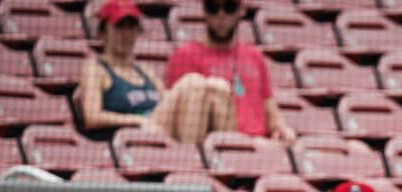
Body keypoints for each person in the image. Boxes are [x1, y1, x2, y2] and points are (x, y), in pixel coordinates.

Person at [76, 1, 232, 146]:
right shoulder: (95, 68)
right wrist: (136, 120)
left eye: (132, 27)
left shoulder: (145, 70)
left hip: (161, 130)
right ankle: (190, 158)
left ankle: (218, 161)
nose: (126, 34)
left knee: (218, 88)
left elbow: (171, 100)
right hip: (133, 137)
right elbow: (92, 117)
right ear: (103, 31)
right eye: (119, 26)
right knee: (194, 81)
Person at [164, 0, 296, 143]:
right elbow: (179, 119)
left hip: (260, 147)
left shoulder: (255, 56)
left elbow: (270, 107)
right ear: (204, 11)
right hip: (215, 145)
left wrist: (281, 128)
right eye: (213, 7)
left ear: (241, 10)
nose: (221, 15)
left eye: (229, 7)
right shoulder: (185, 56)